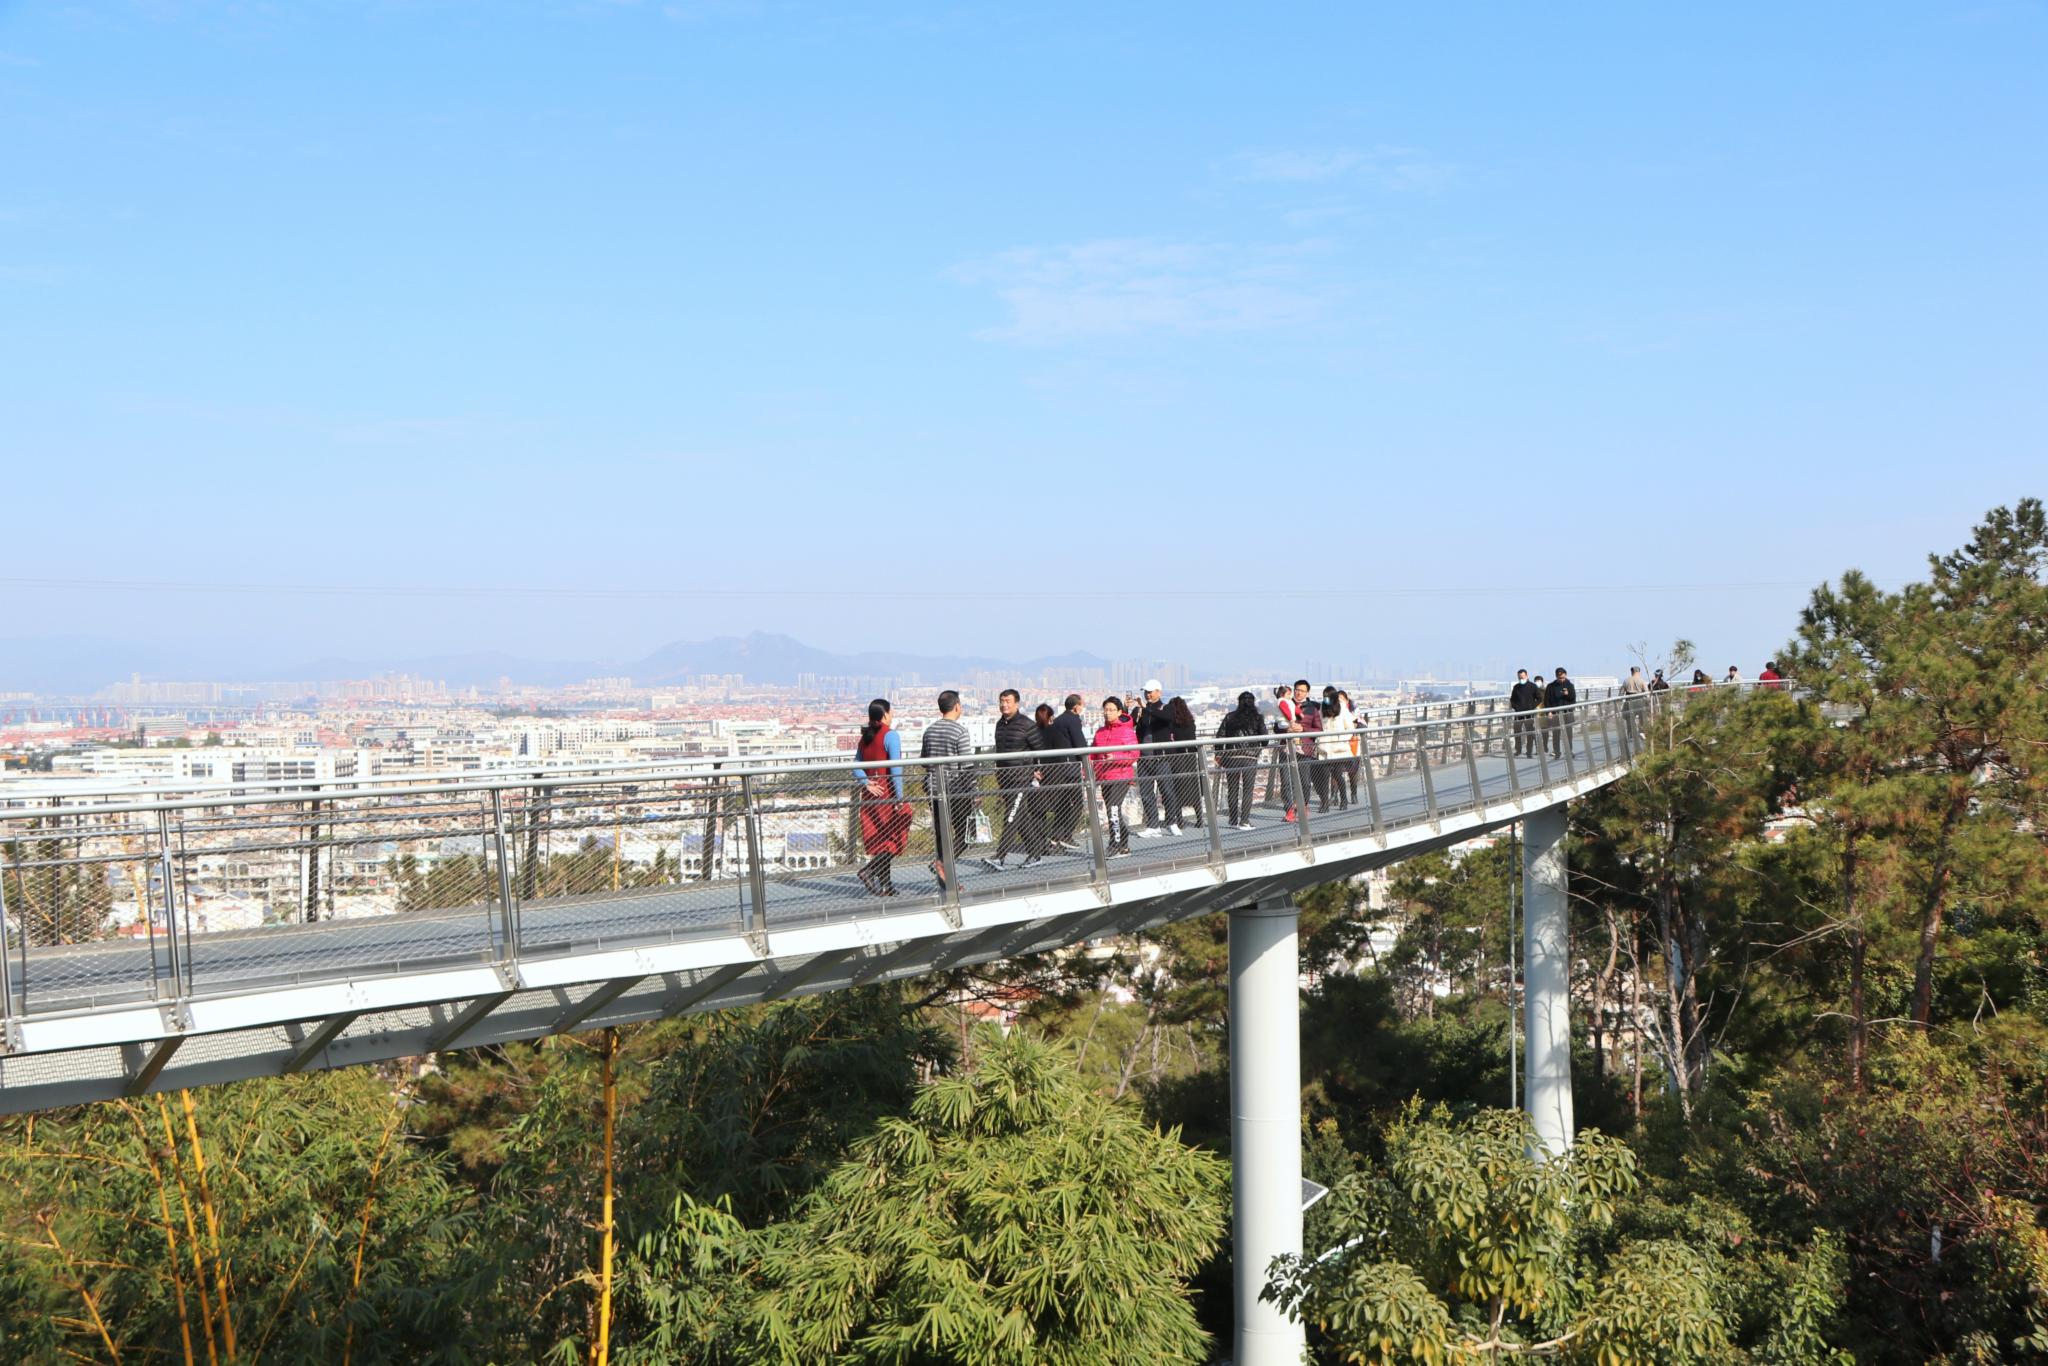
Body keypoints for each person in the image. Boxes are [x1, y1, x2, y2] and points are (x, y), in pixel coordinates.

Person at [919, 690, 975, 890]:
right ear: (957, 706)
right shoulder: (960, 732)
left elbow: (925, 761)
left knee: (943, 835)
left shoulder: (929, 731)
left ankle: (947, 879)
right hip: (956, 790)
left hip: (933, 789)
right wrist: (974, 793)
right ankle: (942, 864)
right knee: (967, 834)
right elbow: (967, 766)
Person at [851, 699, 908, 896]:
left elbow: (856, 766)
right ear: (884, 715)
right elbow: (895, 768)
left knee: (881, 838)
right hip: (887, 790)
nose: (892, 715)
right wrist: (899, 798)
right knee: (893, 835)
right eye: (890, 712)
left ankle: (886, 885)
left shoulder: (865, 737)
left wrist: (865, 783)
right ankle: (869, 870)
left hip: (870, 793)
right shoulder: (890, 736)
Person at [985, 688, 1045, 872]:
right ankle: (1035, 854)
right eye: (1002, 700)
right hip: (1004, 778)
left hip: (1021, 778)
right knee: (1020, 817)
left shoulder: (1027, 725)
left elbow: (1040, 749)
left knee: (1010, 816)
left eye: (1008, 701)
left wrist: (1037, 770)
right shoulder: (999, 725)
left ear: (1016, 703)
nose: (1004, 704)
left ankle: (1000, 857)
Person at [1090, 696, 1139, 856]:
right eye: (1105, 710)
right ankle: (1123, 844)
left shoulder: (1127, 730)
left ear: (1119, 712)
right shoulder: (1100, 732)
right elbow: (1092, 755)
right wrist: (1088, 772)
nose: (1107, 713)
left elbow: (1134, 753)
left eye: (1111, 710)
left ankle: (1115, 845)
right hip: (1104, 777)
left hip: (1121, 776)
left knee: (1113, 809)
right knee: (1113, 811)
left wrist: (1115, 757)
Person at [1045, 692, 1091, 850]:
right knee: (1077, 803)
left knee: (1063, 804)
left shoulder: (1058, 721)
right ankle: (1066, 835)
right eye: (1082, 704)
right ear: (1076, 706)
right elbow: (1080, 743)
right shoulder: (1073, 720)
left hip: (1057, 767)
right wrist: (1086, 761)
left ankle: (1055, 837)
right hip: (1070, 767)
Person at [1215, 691, 1265, 829]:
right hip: (1250, 756)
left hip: (1231, 756)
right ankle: (1244, 821)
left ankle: (1232, 820)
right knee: (1248, 789)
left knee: (1233, 789)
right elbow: (1265, 739)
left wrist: (1218, 754)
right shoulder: (1258, 718)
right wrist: (1258, 747)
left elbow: (1220, 736)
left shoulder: (1230, 717)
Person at [1132, 680, 1172, 837]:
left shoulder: (1166, 707)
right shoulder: (1141, 710)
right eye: (1146, 692)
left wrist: (1145, 708)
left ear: (1159, 692)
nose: (1147, 694)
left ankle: (1171, 821)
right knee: (1147, 793)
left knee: (1167, 791)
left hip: (1160, 757)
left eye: (1150, 692)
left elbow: (1166, 718)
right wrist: (1128, 708)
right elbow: (1128, 723)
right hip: (1144, 758)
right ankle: (1153, 825)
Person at [1164, 695, 1202, 828]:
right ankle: (1200, 819)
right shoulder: (1191, 722)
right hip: (1191, 757)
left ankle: (1179, 821)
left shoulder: (1172, 724)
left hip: (1177, 758)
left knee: (1177, 788)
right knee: (1194, 787)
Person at [1032, 702, 1065, 849]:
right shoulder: (1055, 731)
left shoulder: (1032, 732)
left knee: (1038, 810)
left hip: (1037, 773)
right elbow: (1061, 753)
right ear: (1051, 716)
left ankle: (1039, 841)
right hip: (1055, 773)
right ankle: (1055, 837)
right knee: (1062, 806)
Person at [1332, 688, 1363, 804]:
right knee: (1335, 772)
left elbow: (1363, 726)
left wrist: (1354, 726)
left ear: (1346, 701)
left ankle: (1353, 793)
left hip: (1352, 746)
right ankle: (1334, 795)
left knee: (1353, 772)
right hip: (1336, 746)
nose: (1339, 702)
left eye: (1342, 700)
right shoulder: (1331, 712)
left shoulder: (1355, 712)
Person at [1542, 666, 1577, 758]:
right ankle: (1557, 752)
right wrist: (1549, 712)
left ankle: (1569, 751)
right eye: (1559, 678)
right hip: (1555, 713)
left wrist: (1567, 694)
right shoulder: (1551, 686)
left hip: (1567, 713)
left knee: (1569, 734)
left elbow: (1573, 699)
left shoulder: (1570, 685)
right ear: (1556, 676)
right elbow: (1546, 701)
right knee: (1556, 734)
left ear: (1565, 675)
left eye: (1563, 677)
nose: (1561, 679)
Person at [1509, 668, 1543, 758]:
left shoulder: (1532, 686)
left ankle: (1529, 752)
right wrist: (1515, 707)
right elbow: (1512, 699)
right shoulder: (1516, 687)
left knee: (1529, 732)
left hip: (1529, 713)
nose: (1521, 679)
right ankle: (1518, 750)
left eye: (1522, 677)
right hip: (1518, 713)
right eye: (1519, 677)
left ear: (1527, 676)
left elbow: (1539, 698)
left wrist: (1532, 706)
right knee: (1517, 732)